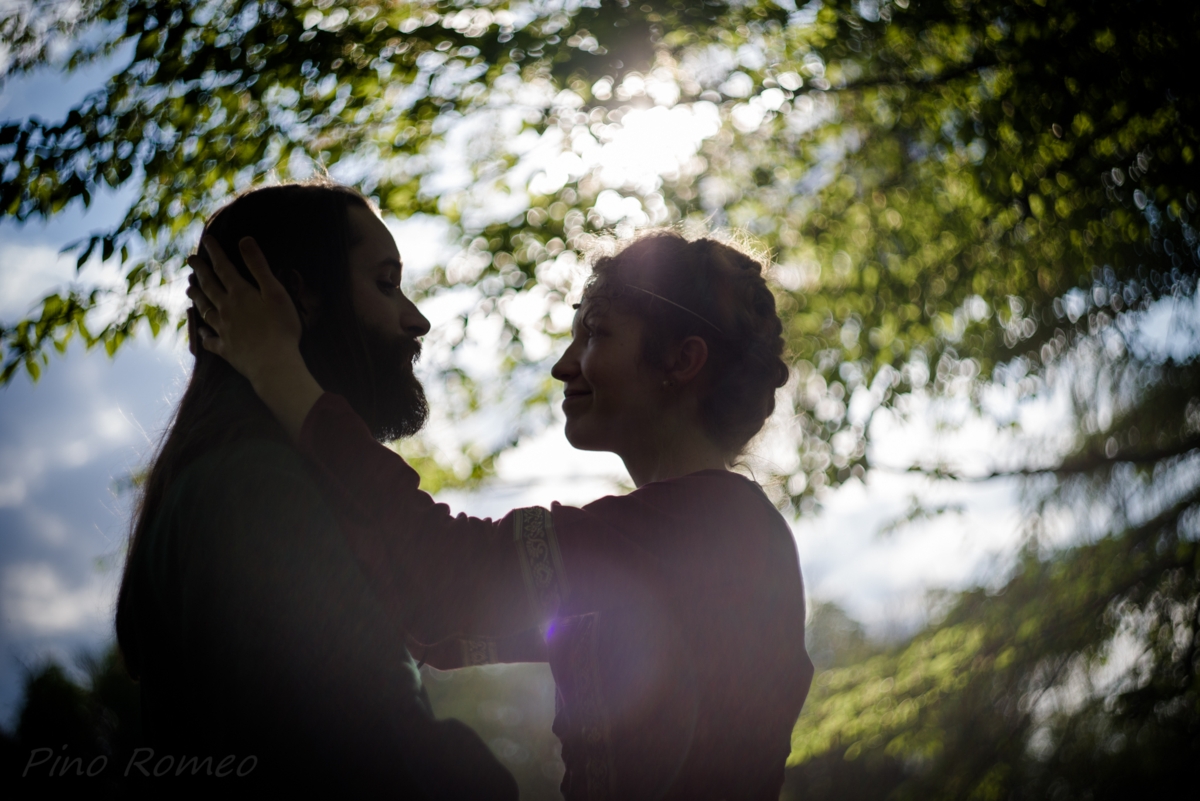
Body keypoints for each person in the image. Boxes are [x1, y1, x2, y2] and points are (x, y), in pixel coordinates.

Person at [192, 219, 816, 799]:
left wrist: (278, 368)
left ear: (682, 360)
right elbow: (440, 625)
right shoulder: (704, 527)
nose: (562, 365)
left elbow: (445, 573)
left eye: (595, 332)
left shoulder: (710, 527)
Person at [115, 181, 518, 796]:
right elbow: (381, 756)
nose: (417, 318)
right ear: (296, 297)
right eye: (386, 284)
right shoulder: (251, 487)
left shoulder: (234, 479)